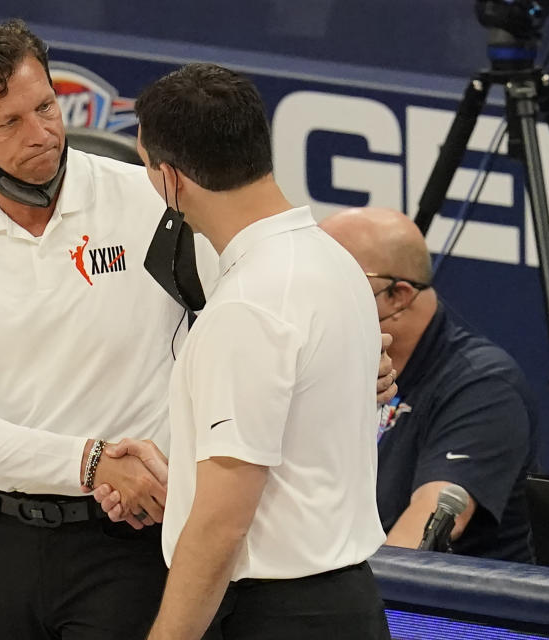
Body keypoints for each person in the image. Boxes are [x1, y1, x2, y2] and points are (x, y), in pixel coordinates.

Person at [0, 20, 397, 640]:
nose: (42, 133)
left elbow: (274, 308)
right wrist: (90, 462)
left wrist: (350, 361)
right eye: (9, 123)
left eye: (46, 107)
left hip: (131, 538)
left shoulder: (154, 197)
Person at [120, 63, 391, 640]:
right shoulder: (334, 261)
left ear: (171, 179)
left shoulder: (248, 306)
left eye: (145, 166)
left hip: (276, 617)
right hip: (343, 603)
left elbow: (221, 525)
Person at [318, 207, 538, 562]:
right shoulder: (326, 362)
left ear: (397, 296)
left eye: (331, 279)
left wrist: (349, 613)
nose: (310, 295)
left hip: (450, 612)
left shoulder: (484, 386)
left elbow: (425, 530)